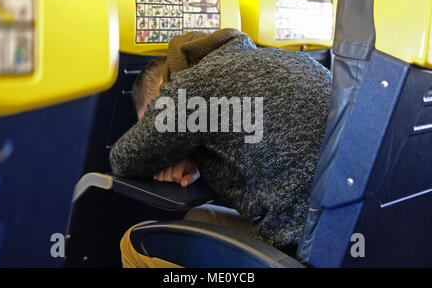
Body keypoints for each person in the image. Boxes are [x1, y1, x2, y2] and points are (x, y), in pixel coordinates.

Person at [110, 28, 332, 267]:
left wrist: (170, 154)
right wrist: (195, 159)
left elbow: (123, 159)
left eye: (148, 119)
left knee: (134, 244)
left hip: (300, 253)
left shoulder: (192, 86)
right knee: (200, 218)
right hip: (345, 241)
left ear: (163, 90)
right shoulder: (287, 60)